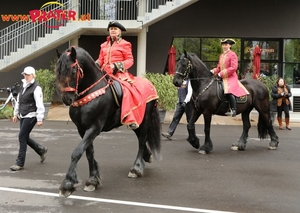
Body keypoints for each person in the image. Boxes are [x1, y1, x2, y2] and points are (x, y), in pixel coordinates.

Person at [95, 21, 143, 130]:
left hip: (119, 74)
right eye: (111, 29)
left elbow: (130, 60)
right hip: (104, 73)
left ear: (120, 31)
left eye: (115, 29)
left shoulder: (125, 44)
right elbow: (100, 59)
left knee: (126, 90)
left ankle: (130, 117)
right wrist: (95, 64)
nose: (113, 30)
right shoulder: (103, 45)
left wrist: (116, 66)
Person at [10, 66, 47, 171]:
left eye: (28, 74)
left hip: (32, 115)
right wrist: (15, 114)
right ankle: (41, 150)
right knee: (25, 137)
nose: (26, 76)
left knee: (22, 136)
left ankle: (19, 163)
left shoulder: (36, 88)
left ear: (33, 75)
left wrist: (40, 118)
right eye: (25, 74)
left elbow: (40, 104)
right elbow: (19, 101)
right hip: (23, 115)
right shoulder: (24, 85)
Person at [210, 38, 249, 117]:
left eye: (226, 45)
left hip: (231, 77)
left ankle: (233, 109)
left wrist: (221, 73)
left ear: (230, 45)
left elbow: (234, 67)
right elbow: (219, 67)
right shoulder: (221, 56)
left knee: (229, 90)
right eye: (223, 45)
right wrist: (214, 71)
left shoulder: (233, 54)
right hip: (222, 77)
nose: (224, 46)